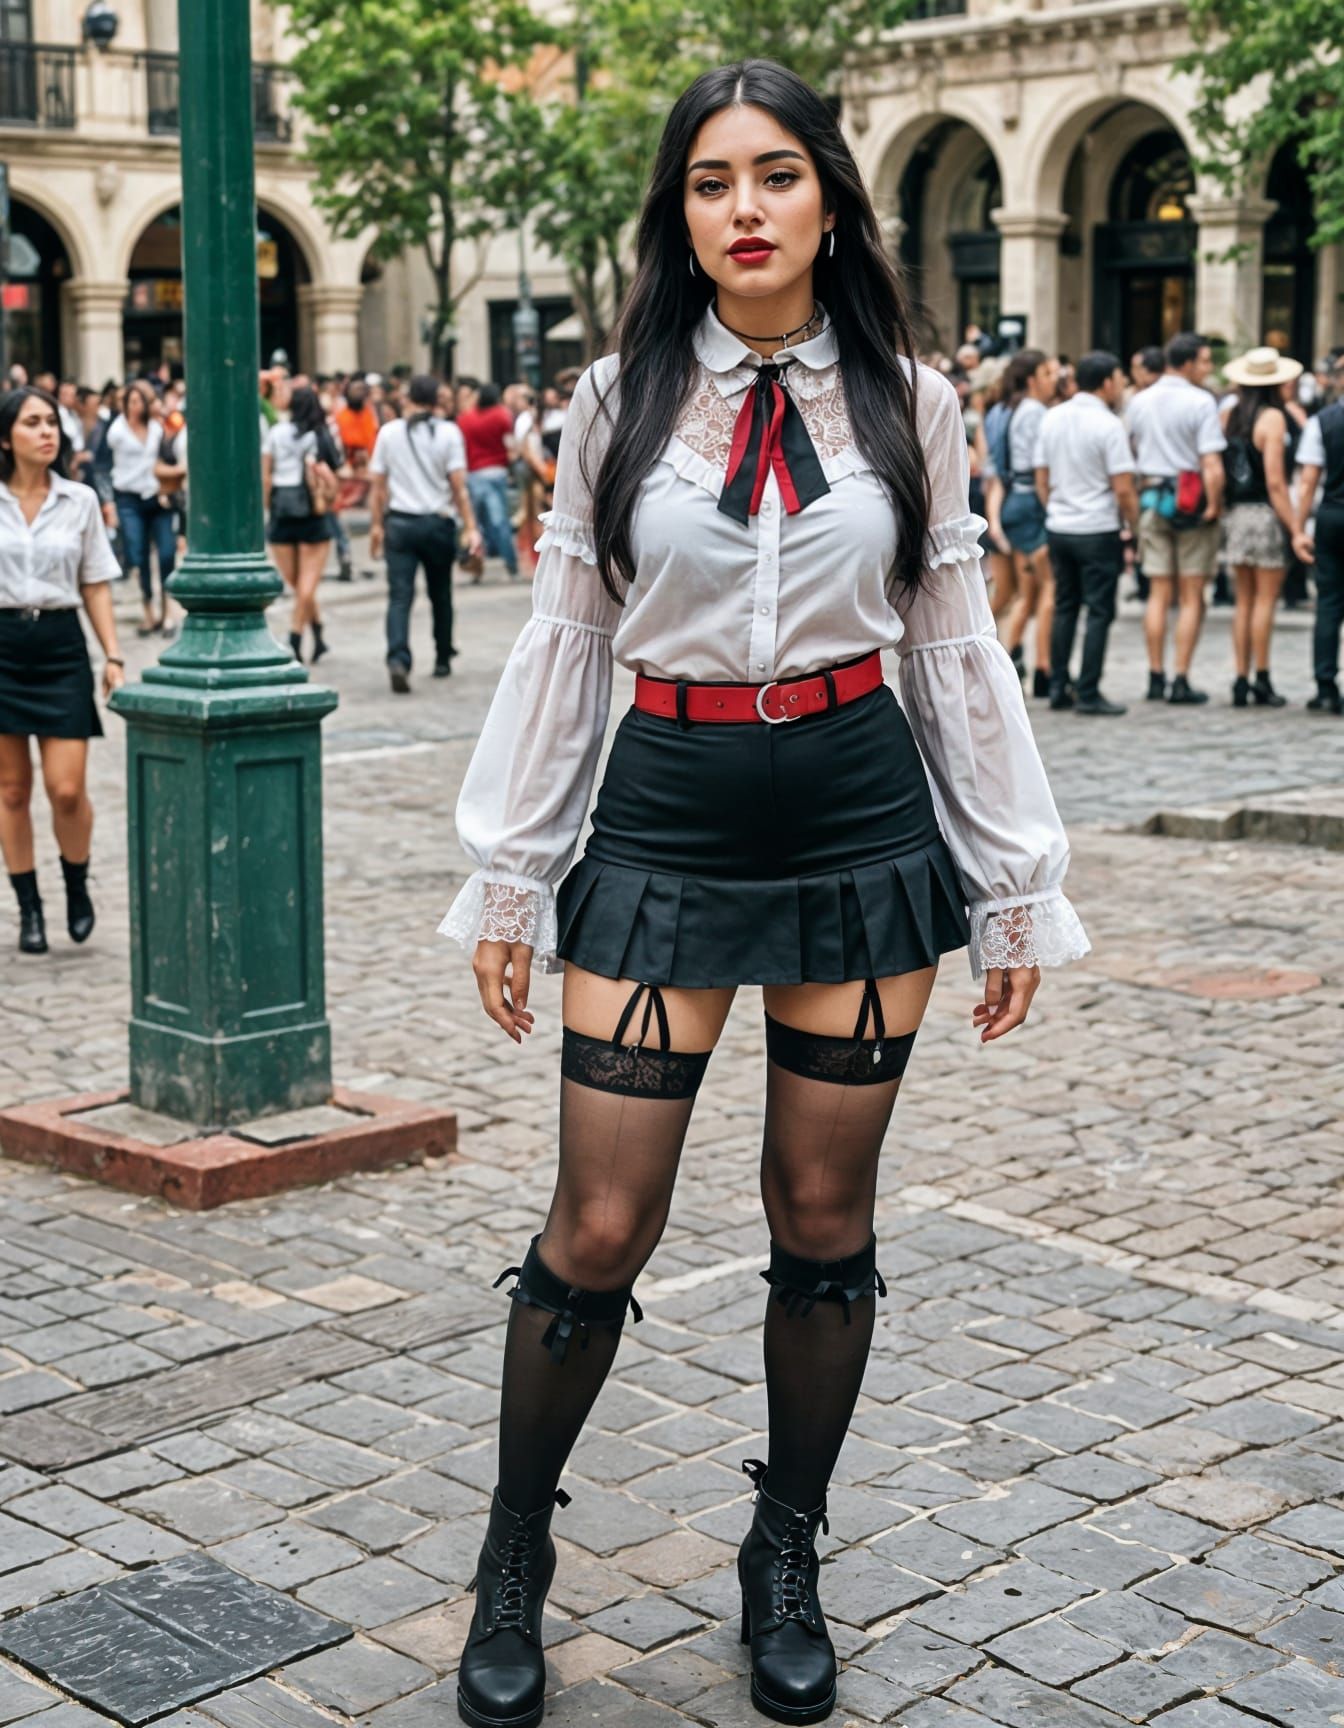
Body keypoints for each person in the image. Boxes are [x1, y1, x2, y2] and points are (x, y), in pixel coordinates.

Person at [439, 59, 1088, 1728]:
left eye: (777, 175)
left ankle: (781, 1551)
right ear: (678, 214)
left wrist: (1010, 882)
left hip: (859, 806)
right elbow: (570, 634)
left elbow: (949, 642)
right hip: (665, 802)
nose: (745, 207)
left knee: (821, 1216)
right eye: (712, 180)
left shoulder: (910, 400)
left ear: (829, 204)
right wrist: (514, 872)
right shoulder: (616, 399)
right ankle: (513, 1554)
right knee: (599, 1223)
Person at [0, 387, 123, 954]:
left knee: (66, 789)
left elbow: (94, 582)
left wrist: (113, 654)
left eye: (51, 421)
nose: (47, 431)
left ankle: (76, 881)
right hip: (2, 646)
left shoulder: (79, 500)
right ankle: (29, 907)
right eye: (32, 422)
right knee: (11, 791)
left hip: (60, 647)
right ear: (6, 438)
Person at [1034, 350, 1138, 716]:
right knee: (1098, 611)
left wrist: (1055, 509)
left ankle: (1059, 686)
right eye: (1120, 380)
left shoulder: (1052, 417)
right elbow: (1123, 488)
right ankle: (1089, 690)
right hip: (1097, 528)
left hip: (1060, 526)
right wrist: (1134, 525)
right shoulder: (1109, 425)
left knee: (1066, 606)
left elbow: (1041, 478)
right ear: (1107, 383)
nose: (1122, 387)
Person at [1125, 332, 1227, 704]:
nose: (1208, 368)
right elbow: (1211, 463)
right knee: (1191, 595)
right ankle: (1180, 678)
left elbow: (1130, 451)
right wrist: (1214, 505)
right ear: (1187, 363)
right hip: (1191, 501)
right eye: (1204, 361)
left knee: (1158, 593)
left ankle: (1155, 676)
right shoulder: (1201, 401)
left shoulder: (1140, 401)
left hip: (1153, 499)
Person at [368, 374, 484, 693]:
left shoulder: (389, 432)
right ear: (436, 400)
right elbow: (458, 487)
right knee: (440, 593)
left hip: (400, 524)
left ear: (408, 398)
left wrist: (376, 525)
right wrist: (471, 527)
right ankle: (443, 655)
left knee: (399, 596)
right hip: (437, 524)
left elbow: (378, 487)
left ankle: (398, 658)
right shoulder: (448, 432)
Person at [1219, 347, 1301, 707]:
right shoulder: (1273, 419)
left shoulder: (1230, 415)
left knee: (1243, 602)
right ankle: (1262, 677)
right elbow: (1276, 482)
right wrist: (1295, 527)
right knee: (1265, 601)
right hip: (1264, 515)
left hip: (1236, 515)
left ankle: (1240, 678)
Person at [984, 347, 1059, 697]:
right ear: (1031, 379)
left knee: (1019, 592)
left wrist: (996, 518)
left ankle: (1013, 656)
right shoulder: (1033, 412)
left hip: (1010, 501)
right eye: (1047, 374)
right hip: (1031, 502)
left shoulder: (1000, 410)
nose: (1053, 380)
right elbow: (1042, 465)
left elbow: (995, 471)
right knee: (1045, 589)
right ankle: (1036, 664)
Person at [261, 385, 339, 663]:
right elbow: (333, 474)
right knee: (306, 584)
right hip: (311, 511)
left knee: (298, 583)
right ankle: (304, 634)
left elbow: (266, 474)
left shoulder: (276, 433)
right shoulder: (320, 435)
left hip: (282, 509)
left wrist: (269, 505)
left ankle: (306, 634)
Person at [106, 380, 177, 639]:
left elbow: (168, 455)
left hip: (158, 497)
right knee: (138, 554)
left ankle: (168, 611)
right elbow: (105, 463)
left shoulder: (157, 427)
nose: (136, 407)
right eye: (131, 402)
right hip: (129, 498)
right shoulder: (116, 431)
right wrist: (109, 501)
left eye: (140, 402)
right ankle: (148, 610)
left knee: (167, 553)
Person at [1293, 361, 1344, 714]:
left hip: (1334, 515)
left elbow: (1308, 480)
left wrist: (1299, 528)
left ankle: (1325, 686)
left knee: (1329, 603)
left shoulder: (1322, 421)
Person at [458, 382, 520, 579]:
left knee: (475, 523)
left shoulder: (465, 419)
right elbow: (510, 444)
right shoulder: (501, 415)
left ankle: (476, 566)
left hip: (474, 473)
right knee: (500, 521)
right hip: (496, 472)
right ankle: (511, 563)